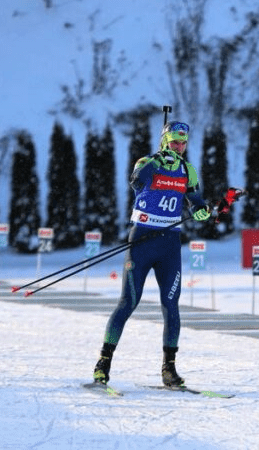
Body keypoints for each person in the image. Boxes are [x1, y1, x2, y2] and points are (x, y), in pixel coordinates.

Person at [92, 121, 212, 387]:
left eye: (183, 143)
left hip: (169, 245)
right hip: (143, 240)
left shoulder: (187, 170)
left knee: (171, 305)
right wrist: (157, 160)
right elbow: (135, 181)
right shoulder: (147, 162)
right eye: (174, 142)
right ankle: (103, 362)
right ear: (165, 141)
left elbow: (196, 201)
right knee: (128, 302)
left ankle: (169, 369)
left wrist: (202, 211)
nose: (179, 147)